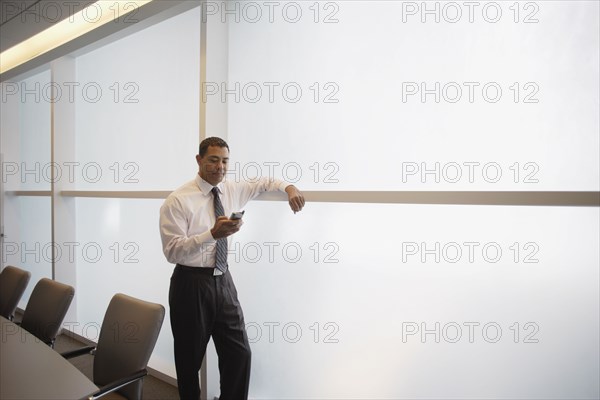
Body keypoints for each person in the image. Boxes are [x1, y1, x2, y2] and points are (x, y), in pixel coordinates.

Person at [159, 137, 305, 400]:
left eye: (225, 161)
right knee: (189, 360)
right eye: (213, 160)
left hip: (223, 280)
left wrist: (290, 188)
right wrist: (211, 234)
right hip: (190, 284)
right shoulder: (177, 200)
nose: (220, 167)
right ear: (199, 160)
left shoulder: (232, 189)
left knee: (239, 353)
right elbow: (172, 251)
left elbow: (266, 182)